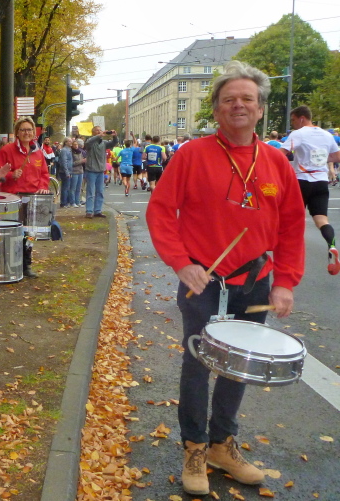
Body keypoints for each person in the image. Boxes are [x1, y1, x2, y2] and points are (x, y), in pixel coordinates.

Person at [147, 60, 305, 497]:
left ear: (260, 109)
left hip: (255, 283)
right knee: (199, 363)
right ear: (216, 109)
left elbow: (292, 226)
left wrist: (285, 281)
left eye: (247, 99)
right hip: (203, 282)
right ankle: (194, 447)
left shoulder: (275, 161)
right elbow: (161, 211)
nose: (238, 105)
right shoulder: (191, 155)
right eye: (229, 99)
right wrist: (181, 263)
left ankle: (221, 444)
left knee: (240, 366)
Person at [280, 105, 340, 275]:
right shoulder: (327, 135)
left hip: (302, 181)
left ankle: (291, 257)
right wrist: (319, 159)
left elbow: (281, 153)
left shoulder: (298, 134)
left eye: (293, 120)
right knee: (322, 219)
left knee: (293, 220)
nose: (292, 124)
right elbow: (337, 156)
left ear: (301, 118)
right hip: (321, 182)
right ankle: (332, 245)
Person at [0, 117, 50, 278]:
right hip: (13, 199)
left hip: (32, 199)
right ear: (17, 132)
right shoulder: (7, 150)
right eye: (22, 130)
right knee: (15, 234)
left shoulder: (37, 152)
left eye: (29, 130)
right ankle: (11, 264)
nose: (26, 133)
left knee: (30, 233)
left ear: (34, 132)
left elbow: (44, 174)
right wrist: (10, 175)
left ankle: (26, 264)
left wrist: (43, 187)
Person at [83, 126, 118, 218]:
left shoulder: (104, 143)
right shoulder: (90, 142)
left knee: (100, 191)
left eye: (100, 130)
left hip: (101, 170)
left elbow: (113, 143)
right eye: (97, 130)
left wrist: (115, 136)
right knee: (90, 191)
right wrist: (99, 136)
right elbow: (88, 143)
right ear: (93, 133)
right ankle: (89, 211)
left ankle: (98, 210)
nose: (99, 132)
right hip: (91, 170)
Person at [57, 138, 73, 208]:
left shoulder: (69, 150)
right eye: (69, 141)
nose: (71, 142)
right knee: (65, 188)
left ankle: (66, 202)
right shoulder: (64, 150)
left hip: (69, 170)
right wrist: (67, 172)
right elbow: (64, 161)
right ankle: (63, 203)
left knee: (67, 187)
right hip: (65, 171)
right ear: (65, 142)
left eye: (71, 141)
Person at [70, 140, 85, 207]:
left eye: (77, 144)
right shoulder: (71, 153)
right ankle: (72, 202)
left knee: (79, 188)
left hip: (80, 171)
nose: (76, 146)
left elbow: (82, 160)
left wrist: (84, 161)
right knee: (73, 188)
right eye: (74, 144)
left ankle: (77, 201)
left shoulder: (80, 152)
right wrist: (81, 161)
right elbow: (72, 163)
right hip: (74, 171)